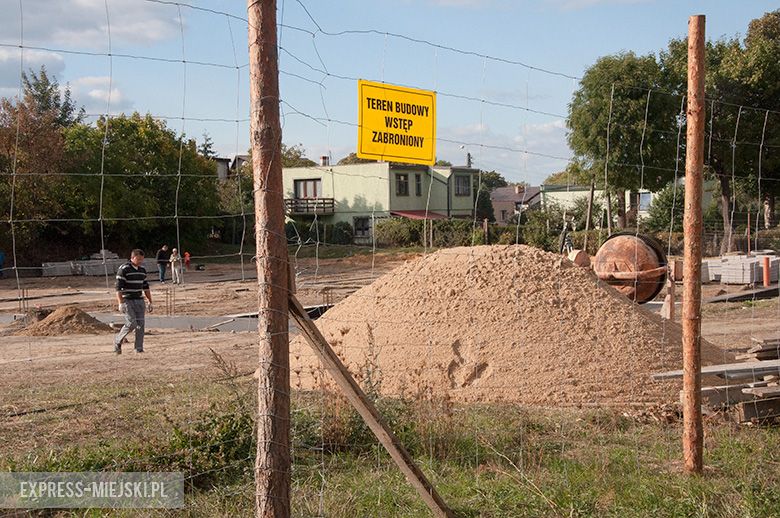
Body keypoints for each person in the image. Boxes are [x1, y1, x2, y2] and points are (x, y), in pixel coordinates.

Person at [114, 249, 153, 354]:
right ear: (132, 258)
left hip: (139, 300)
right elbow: (118, 288)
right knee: (131, 323)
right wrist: (120, 302)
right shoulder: (124, 269)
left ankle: (138, 348)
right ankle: (118, 340)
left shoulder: (142, 270)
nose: (140, 261)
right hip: (127, 300)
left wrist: (150, 301)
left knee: (140, 325)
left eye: (142, 259)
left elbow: (146, 287)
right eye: (138, 259)